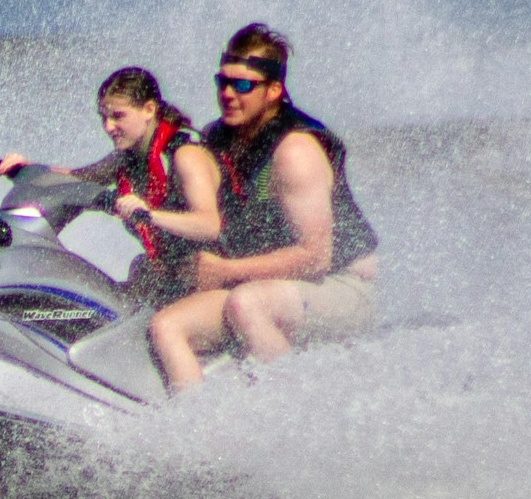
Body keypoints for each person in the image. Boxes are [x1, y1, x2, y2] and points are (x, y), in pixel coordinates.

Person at [146, 23, 380, 390]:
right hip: (264, 283)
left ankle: (293, 419)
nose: (227, 94)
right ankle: (195, 432)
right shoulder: (216, 138)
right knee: (167, 324)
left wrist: (225, 270)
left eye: (242, 85)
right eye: (221, 81)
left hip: (339, 288)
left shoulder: (295, 151)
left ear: (274, 90)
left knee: (247, 304)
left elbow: (315, 257)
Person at [0, 67, 219, 303]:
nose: (108, 127)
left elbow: (209, 224)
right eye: (104, 117)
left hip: (211, 280)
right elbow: (77, 177)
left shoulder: (185, 156)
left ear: (149, 110)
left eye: (118, 116)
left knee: (144, 285)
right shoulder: (127, 158)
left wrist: (148, 215)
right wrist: (28, 169)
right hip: (171, 279)